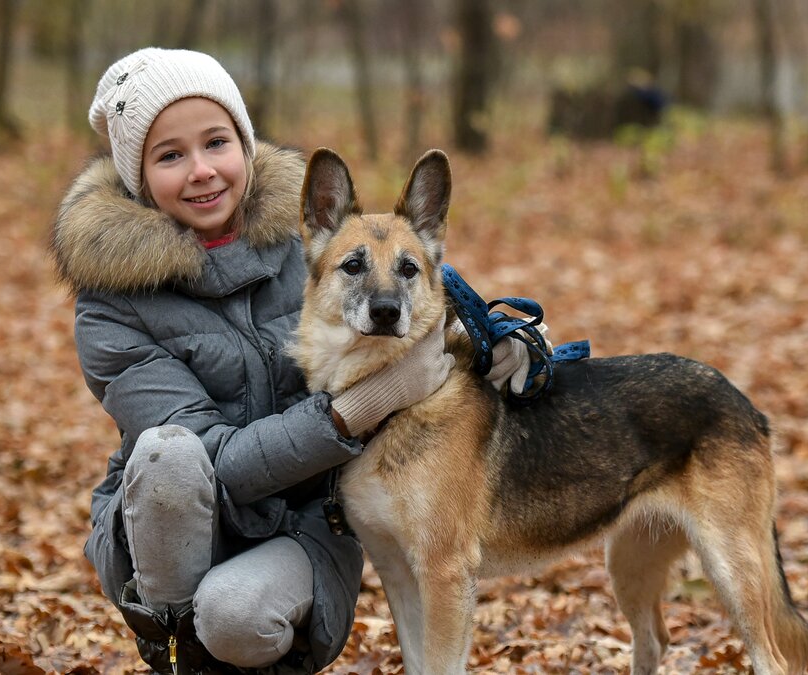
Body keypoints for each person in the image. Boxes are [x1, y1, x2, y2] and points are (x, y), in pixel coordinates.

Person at [51, 48, 537, 674]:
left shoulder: (309, 244)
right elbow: (217, 462)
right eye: (170, 155)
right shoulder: (111, 305)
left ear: (245, 147)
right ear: (137, 176)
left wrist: (488, 337)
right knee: (167, 454)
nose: (201, 170)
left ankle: (261, 641)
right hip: (180, 524)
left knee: (234, 616)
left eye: (216, 142)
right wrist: (364, 405)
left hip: (301, 524)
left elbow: (405, 296)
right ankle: (174, 649)